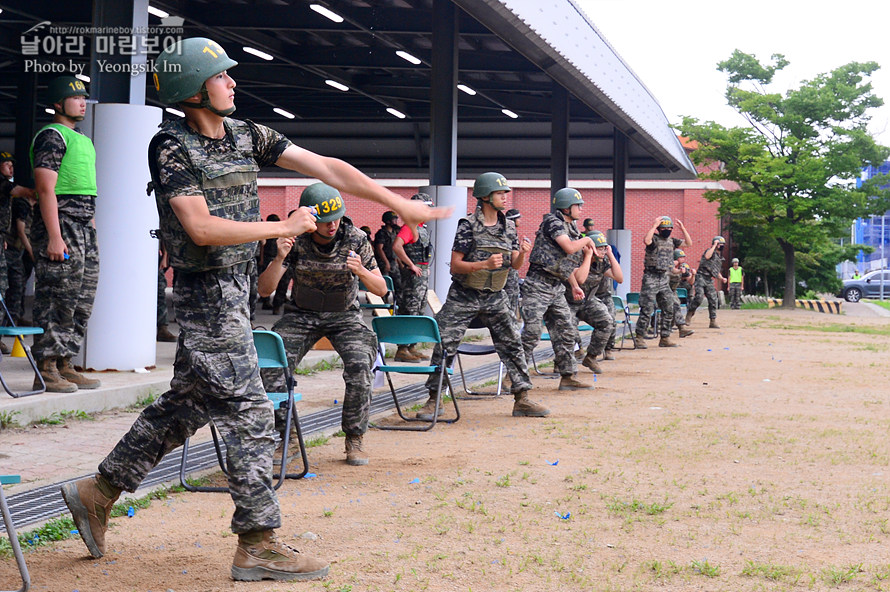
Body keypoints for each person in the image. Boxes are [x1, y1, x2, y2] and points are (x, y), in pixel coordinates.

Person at [59, 37, 449, 583]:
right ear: (194, 89)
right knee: (252, 410)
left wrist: (397, 202)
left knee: (184, 408)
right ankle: (258, 541)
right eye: (222, 76)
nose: (233, 82)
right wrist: (282, 227)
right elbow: (199, 227)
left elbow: (327, 166)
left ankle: (96, 492)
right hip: (204, 296)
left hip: (236, 294)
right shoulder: (171, 146)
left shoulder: (247, 134)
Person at [258, 183, 385, 466]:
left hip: (345, 317)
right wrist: (279, 258)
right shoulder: (294, 238)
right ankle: (287, 437)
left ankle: (354, 438)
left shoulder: (356, 238)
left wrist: (362, 271)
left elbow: (381, 290)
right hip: (302, 315)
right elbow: (265, 290)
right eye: (325, 221)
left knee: (360, 365)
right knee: (271, 363)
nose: (332, 226)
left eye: (336, 218)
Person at [417, 171, 549, 419]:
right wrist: (483, 265)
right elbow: (455, 265)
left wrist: (522, 253)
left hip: (495, 296)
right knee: (445, 344)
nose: (505, 197)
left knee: (512, 343)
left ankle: (523, 398)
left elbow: (514, 265)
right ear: (486, 197)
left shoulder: (508, 226)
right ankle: (434, 399)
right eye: (500, 193)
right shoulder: (468, 226)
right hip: (464, 295)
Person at [29, 76, 102, 393]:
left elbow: (87, 192)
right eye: (76, 98)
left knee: (81, 299)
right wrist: (54, 237)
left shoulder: (81, 138)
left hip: (84, 226)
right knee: (58, 296)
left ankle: (64, 364)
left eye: (85, 97)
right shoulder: (52, 136)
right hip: (61, 223)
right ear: (58, 104)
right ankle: (45, 368)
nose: (83, 102)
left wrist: (93, 228)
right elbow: (45, 189)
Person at [520, 187, 595, 391]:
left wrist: (573, 285)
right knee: (532, 332)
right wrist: (588, 239)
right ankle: (515, 376)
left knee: (567, 330)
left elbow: (564, 262)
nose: (580, 209)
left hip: (556, 286)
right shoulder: (553, 222)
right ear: (566, 207)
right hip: (538, 284)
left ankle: (568, 376)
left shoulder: (571, 230)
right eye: (577, 205)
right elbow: (570, 248)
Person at [633, 216, 692, 349]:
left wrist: (682, 228)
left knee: (669, 307)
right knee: (647, 309)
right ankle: (639, 337)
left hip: (664, 278)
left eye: (669, 228)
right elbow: (646, 240)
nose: (667, 230)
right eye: (664, 228)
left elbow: (688, 243)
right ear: (659, 229)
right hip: (651, 277)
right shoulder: (654, 239)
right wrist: (654, 225)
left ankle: (665, 337)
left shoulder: (672, 241)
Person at [569, 230, 622, 374]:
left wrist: (610, 254)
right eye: (600, 248)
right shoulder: (576, 258)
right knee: (568, 332)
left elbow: (619, 278)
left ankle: (591, 357)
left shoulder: (601, 262)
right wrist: (588, 256)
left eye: (605, 248)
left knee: (607, 322)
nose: (603, 251)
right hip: (568, 302)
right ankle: (563, 364)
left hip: (586, 301)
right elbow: (579, 279)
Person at [391, 193, 434, 362]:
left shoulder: (420, 228)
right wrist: (411, 265)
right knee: (409, 310)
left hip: (421, 275)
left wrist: (423, 266)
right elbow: (397, 246)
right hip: (413, 278)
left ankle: (412, 346)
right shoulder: (409, 227)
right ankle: (402, 349)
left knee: (419, 311)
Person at [1, 152, 36, 332]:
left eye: (11, 164)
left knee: (13, 285)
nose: (11, 167)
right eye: (6, 164)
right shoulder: (6, 187)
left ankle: (10, 324)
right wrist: (43, 192)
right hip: (10, 248)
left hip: (7, 245)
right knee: (10, 285)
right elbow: (21, 230)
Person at [686, 236, 727, 329]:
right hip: (700, 276)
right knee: (699, 297)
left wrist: (722, 278)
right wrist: (714, 245)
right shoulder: (709, 251)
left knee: (713, 299)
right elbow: (707, 256)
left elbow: (716, 271)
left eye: (722, 244)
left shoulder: (719, 258)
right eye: (720, 244)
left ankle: (713, 321)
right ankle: (689, 314)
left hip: (709, 279)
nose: (721, 246)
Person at [374, 210, 401, 307]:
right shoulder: (381, 233)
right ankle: (381, 307)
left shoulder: (395, 232)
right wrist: (386, 263)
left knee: (398, 285)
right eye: (394, 220)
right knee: (384, 286)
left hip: (394, 262)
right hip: (384, 262)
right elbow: (379, 249)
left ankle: (397, 306)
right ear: (388, 221)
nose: (396, 222)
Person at [665, 249, 694, 338]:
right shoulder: (669, 266)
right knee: (672, 308)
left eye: (683, 257)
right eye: (681, 257)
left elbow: (691, 281)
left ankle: (681, 329)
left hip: (673, 291)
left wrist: (693, 275)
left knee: (676, 307)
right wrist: (673, 263)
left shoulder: (682, 268)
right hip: (665, 290)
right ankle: (678, 328)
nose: (683, 259)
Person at [503, 208, 523, 318]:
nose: (520, 220)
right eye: (518, 218)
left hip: (512, 273)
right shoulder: (508, 232)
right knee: (510, 301)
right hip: (508, 274)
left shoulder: (511, 232)